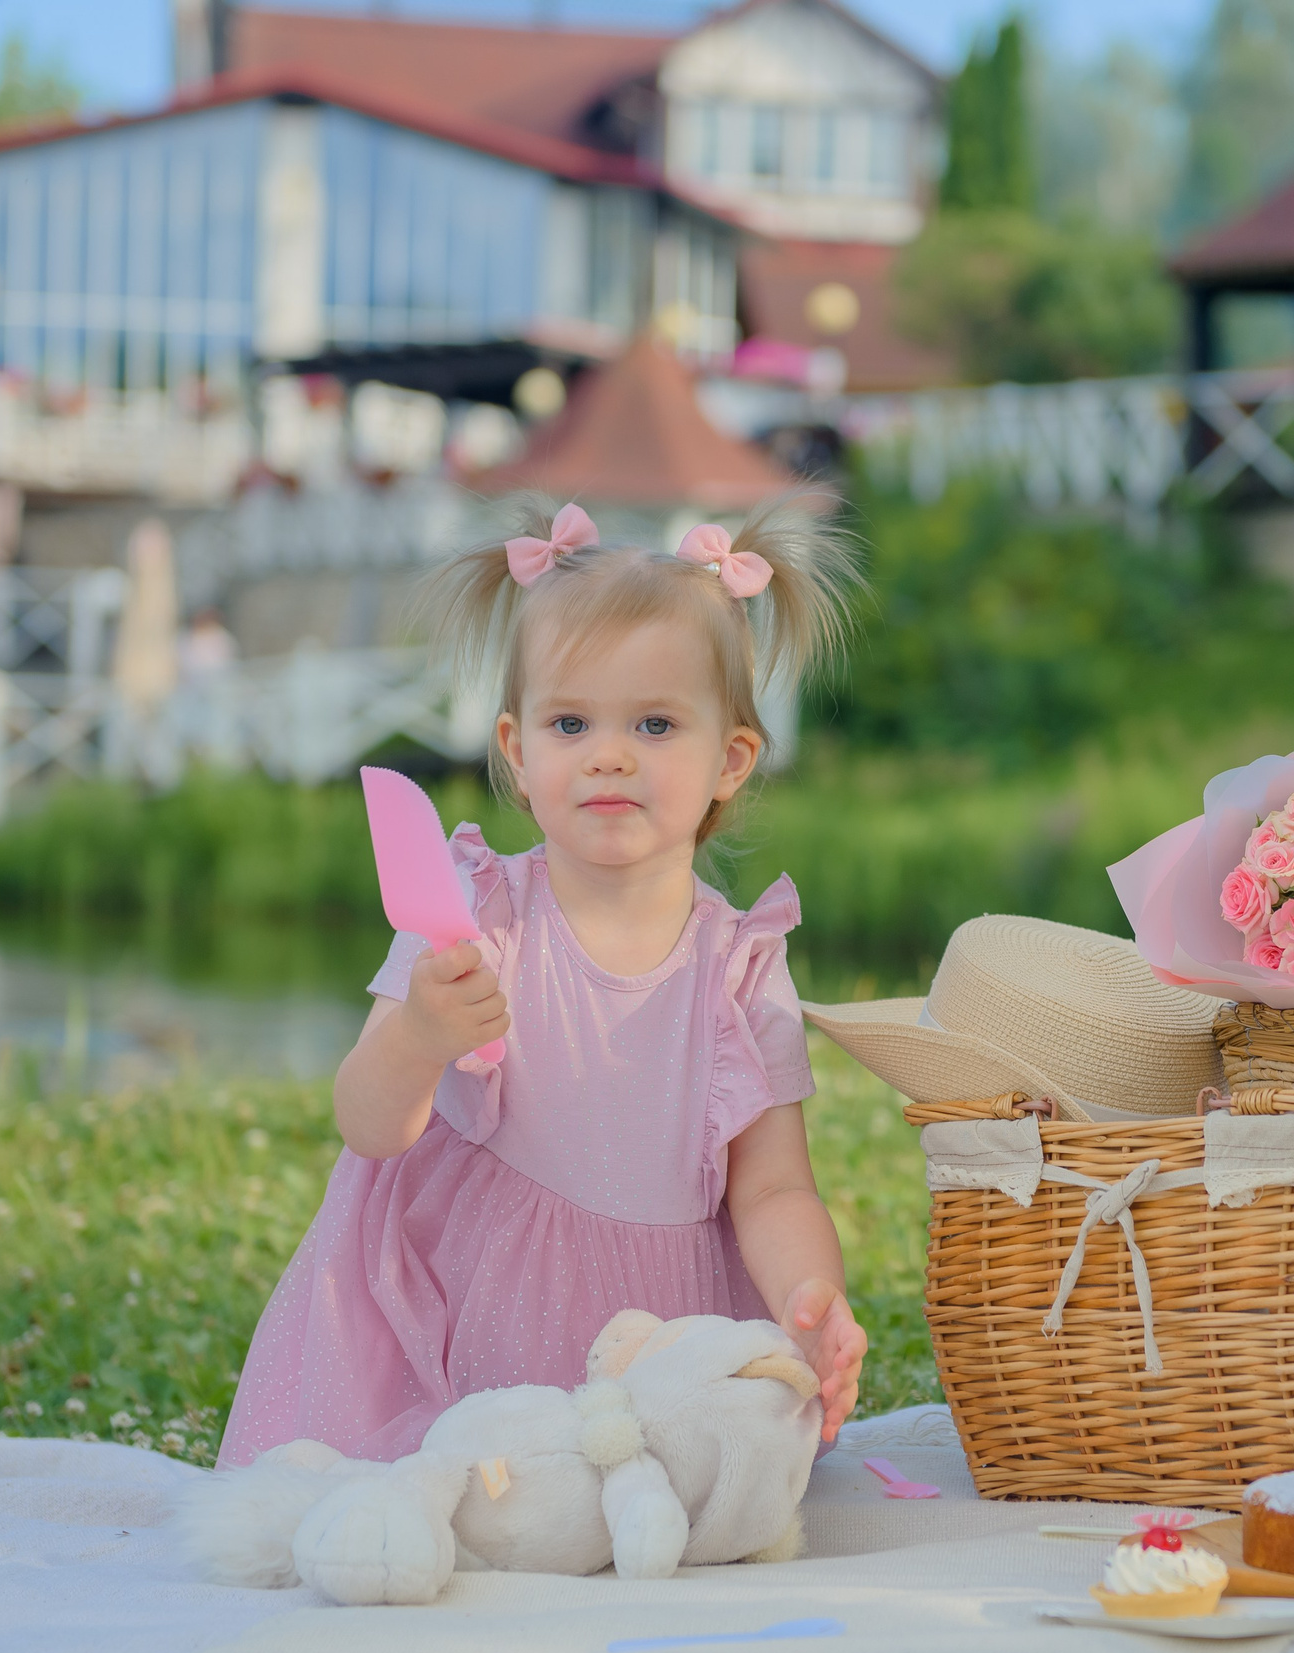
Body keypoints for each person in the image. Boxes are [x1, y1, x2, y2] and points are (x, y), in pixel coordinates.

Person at [220, 497, 867, 1468]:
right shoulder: (475, 913)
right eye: (571, 722)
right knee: (487, 1495)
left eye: (656, 723)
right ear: (519, 753)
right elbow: (366, 1122)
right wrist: (419, 1036)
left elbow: (773, 1187)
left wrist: (810, 1296)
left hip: (660, 1340)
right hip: (474, 1333)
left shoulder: (739, 967)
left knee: (659, 1496)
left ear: (730, 759)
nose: (609, 752)